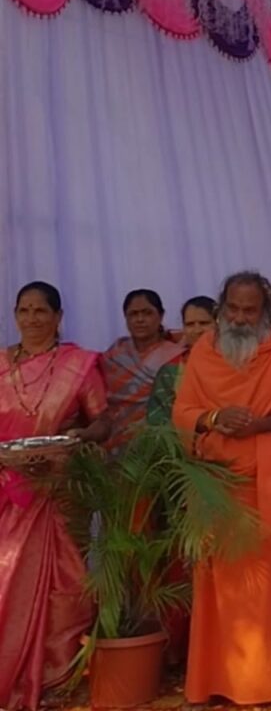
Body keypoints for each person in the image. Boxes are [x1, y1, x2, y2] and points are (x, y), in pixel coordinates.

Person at [173, 271, 271, 707]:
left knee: (260, 594)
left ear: (266, 314)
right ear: (221, 309)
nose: (240, 319)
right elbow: (183, 411)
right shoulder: (205, 350)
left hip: (262, 491)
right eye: (233, 309)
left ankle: (254, 686)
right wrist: (214, 419)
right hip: (213, 489)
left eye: (249, 310)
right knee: (213, 593)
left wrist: (257, 425)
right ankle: (207, 684)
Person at [0, 282, 110, 711]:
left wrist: (79, 435)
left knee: (63, 588)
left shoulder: (77, 366)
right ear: (15, 315)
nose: (32, 318)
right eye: (24, 310)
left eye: (40, 311)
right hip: (8, 493)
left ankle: (53, 676)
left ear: (58, 317)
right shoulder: (0, 366)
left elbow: (103, 423)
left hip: (59, 492)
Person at [103, 289, 185, 451]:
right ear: (125, 318)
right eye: (133, 314)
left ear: (161, 316)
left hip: (162, 443)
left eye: (147, 313)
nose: (140, 319)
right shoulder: (115, 354)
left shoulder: (176, 355)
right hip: (116, 442)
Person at [147, 296, 217, 425]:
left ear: (219, 325)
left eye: (204, 323)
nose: (197, 330)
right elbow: (158, 423)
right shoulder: (171, 371)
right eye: (190, 324)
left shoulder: (237, 364)